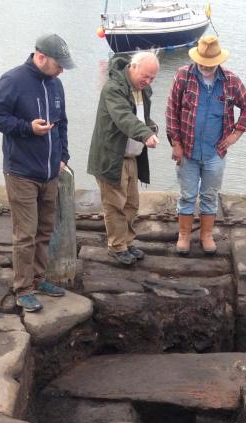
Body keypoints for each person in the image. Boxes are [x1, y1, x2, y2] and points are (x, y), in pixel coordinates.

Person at [0, 33, 75, 313]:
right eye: (58, 64)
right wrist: (28, 128)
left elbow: (62, 123)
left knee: (45, 229)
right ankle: (23, 288)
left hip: (49, 171)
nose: (61, 70)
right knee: (25, 233)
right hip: (21, 171)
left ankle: (39, 278)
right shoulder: (12, 80)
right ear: (40, 57)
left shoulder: (56, 85)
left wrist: (63, 156)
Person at [165, 34, 246, 256]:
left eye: (210, 64)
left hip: (216, 152)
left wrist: (236, 135)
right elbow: (171, 111)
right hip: (187, 150)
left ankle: (206, 235)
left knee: (209, 195)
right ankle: (184, 235)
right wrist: (176, 143)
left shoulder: (231, 81)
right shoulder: (183, 76)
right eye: (202, 63)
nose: (205, 67)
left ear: (219, 61)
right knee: (187, 195)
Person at [87, 50, 160, 267]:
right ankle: (117, 246)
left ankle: (127, 242)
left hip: (132, 156)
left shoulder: (142, 90)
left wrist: (150, 126)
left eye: (152, 78)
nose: (147, 81)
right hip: (112, 156)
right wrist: (145, 134)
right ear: (133, 67)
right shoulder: (113, 88)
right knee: (114, 204)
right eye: (145, 76)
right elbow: (123, 117)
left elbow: (139, 117)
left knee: (131, 203)